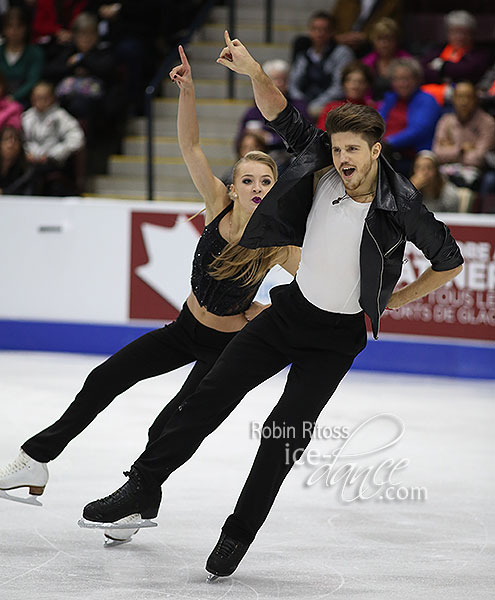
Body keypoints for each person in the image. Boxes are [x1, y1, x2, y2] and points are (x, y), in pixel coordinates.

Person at [78, 32, 463, 579]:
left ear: (375, 150)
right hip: (287, 316)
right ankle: (140, 487)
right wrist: (255, 71)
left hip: (336, 340)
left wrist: (391, 301)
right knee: (208, 397)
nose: (342, 157)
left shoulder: (402, 204)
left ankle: (237, 535)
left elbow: (450, 262)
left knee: (282, 439)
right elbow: (281, 113)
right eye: (337, 147)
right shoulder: (321, 167)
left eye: (353, 149)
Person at [0, 45, 300, 542]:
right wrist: (187, 93)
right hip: (184, 330)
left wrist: (269, 312)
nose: (255, 186)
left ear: (274, 186)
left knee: (167, 426)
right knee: (104, 378)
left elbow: (311, 285)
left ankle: (138, 504)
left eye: (265, 180)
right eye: (247, 178)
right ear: (235, 183)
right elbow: (191, 148)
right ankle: (36, 459)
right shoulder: (218, 205)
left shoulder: (280, 242)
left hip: (225, 350)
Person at [379, 57, 441, 175]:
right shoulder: (390, 98)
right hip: (386, 152)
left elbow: (419, 130)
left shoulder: (427, 99)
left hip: (412, 157)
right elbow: (376, 123)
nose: (402, 84)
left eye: (407, 79)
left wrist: (388, 142)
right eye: (397, 79)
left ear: (417, 80)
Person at [22, 81, 85, 195]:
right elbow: (22, 140)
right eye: (37, 97)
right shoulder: (27, 117)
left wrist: (52, 155)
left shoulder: (61, 117)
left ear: (52, 98)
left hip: (53, 163)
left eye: (44, 97)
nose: (40, 101)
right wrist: (26, 153)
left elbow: (77, 139)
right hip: (30, 162)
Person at [288, 11, 354, 119]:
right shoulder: (303, 54)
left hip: (330, 103)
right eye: (315, 29)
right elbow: (293, 83)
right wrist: (301, 102)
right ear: (309, 31)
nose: (319, 33)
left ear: (332, 32)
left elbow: (339, 86)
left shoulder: (342, 53)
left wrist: (317, 104)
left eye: (324, 30)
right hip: (305, 102)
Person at [432, 81, 495, 190]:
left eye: (468, 97)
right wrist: (461, 149)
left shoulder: (488, 123)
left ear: (475, 99)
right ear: (453, 99)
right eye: (460, 97)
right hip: (446, 171)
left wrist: (449, 148)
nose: (464, 102)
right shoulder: (446, 120)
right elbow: (437, 153)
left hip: (476, 173)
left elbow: (479, 159)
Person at [236, 59, 309, 152]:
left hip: (286, 156)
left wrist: (269, 138)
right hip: (257, 154)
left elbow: (304, 137)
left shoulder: (299, 106)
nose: (280, 83)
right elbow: (238, 141)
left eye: (284, 80)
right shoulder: (253, 110)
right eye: (275, 79)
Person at [422, 11, 490, 88]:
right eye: (455, 32)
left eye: (464, 33)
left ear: (472, 34)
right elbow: (423, 71)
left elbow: (468, 72)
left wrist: (442, 66)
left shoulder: (480, 54)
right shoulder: (437, 50)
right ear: (448, 33)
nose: (460, 37)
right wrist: (446, 74)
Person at [0, 7, 44, 106]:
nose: (14, 31)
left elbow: (33, 80)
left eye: (19, 26)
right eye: (10, 26)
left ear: (26, 28)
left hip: (26, 101)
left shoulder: (35, 53)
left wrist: (14, 97)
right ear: (4, 29)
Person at [361, 17, 410, 101]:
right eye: (380, 39)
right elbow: (363, 91)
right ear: (373, 40)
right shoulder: (366, 62)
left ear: (396, 40)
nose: (384, 44)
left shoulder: (407, 61)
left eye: (389, 39)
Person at [317, 60, 375, 130]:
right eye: (350, 81)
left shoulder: (373, 110)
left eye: (361, 81)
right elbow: (322, 135)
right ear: (343, 84)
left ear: (368, 85)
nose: (355, 86)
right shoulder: (331, 108)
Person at [332, 0, 403, 53]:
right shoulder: (345, 2)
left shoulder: (391, 3)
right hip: (340, 44)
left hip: (372, 48)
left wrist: (366, 36)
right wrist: (338, 37)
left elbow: (394, 29)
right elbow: (332, 22)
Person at [0, 125, 34, 194]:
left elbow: (22, 190)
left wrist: (3, 192)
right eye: (7, 139)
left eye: (16, 139)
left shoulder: (26, 170)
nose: (12, 143)